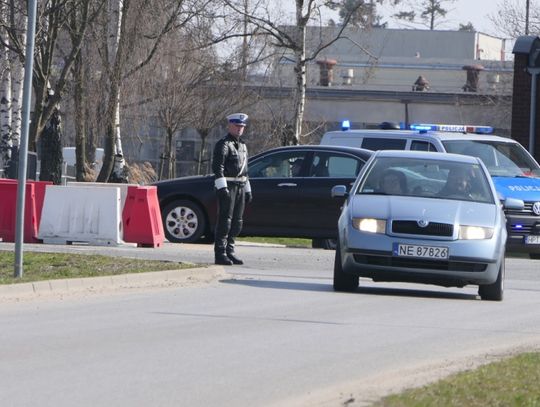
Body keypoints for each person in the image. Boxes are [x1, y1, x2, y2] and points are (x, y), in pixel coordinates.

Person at [212, 113, 252, 266]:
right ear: (229, 126)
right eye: (237, 126)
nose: (240, 129)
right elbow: (218, 167)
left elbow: (245, 170)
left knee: (237, 222)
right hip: (228, 186)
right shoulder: (223, 144)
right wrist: (222, 187)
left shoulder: (243, 145)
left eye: (242, 127)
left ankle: (230, 251)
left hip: (241, 185)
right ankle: (220, 253)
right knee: (225, 221)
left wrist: (248, 189)